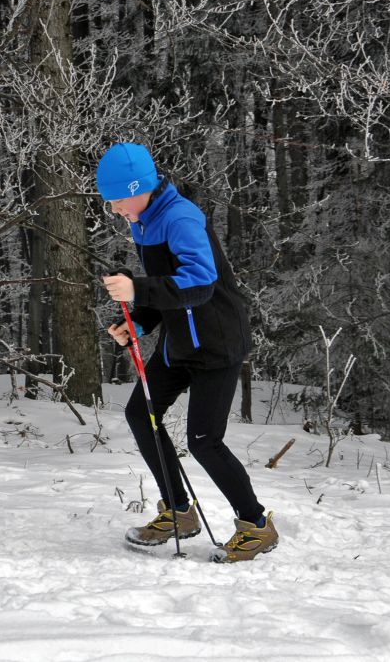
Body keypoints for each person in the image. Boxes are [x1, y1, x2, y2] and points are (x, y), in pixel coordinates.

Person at [97, 142, 278, 563]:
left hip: (216, 343)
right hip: (180, 342)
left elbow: (199, 285)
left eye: (118, 200)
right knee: (141, 415)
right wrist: (139, 322)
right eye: (111, 204)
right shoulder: (142, 220)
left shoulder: (180, 218)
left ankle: (257, 525)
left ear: (138, 188)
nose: (117, 210)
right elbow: (168, 288)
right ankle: (179, 512)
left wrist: (136, 287)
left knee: (203, 441)